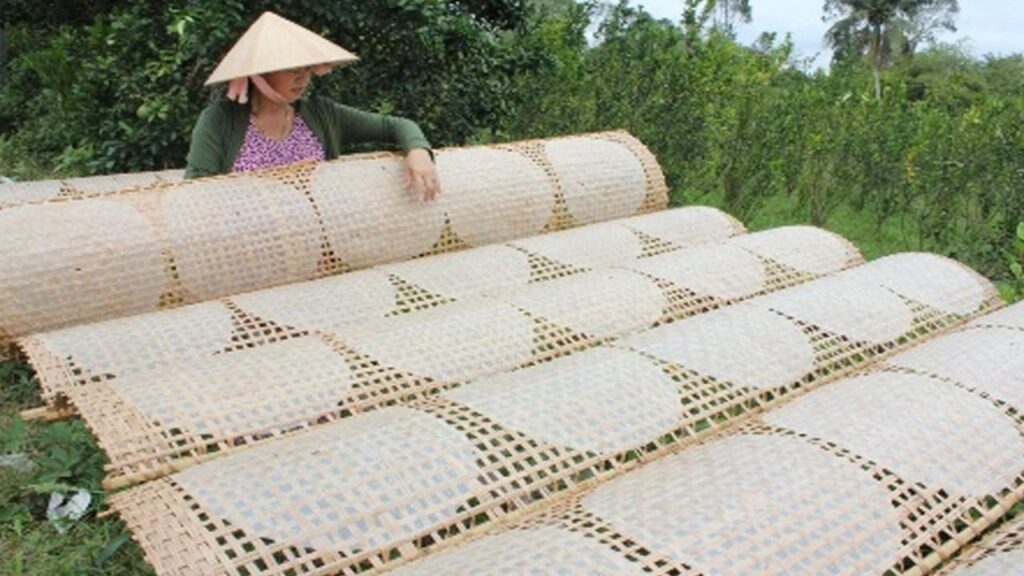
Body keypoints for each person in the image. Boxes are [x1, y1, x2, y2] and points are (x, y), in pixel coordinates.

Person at [185, 11, 440, 201]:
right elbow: (196, 193)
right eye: (292, 69)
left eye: (307, 68)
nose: (303, 77)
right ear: (261, 72)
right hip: (248, 249)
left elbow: (397, 126)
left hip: (320, 251)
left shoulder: (322, 114)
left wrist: (418, 152)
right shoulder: (219, 120)